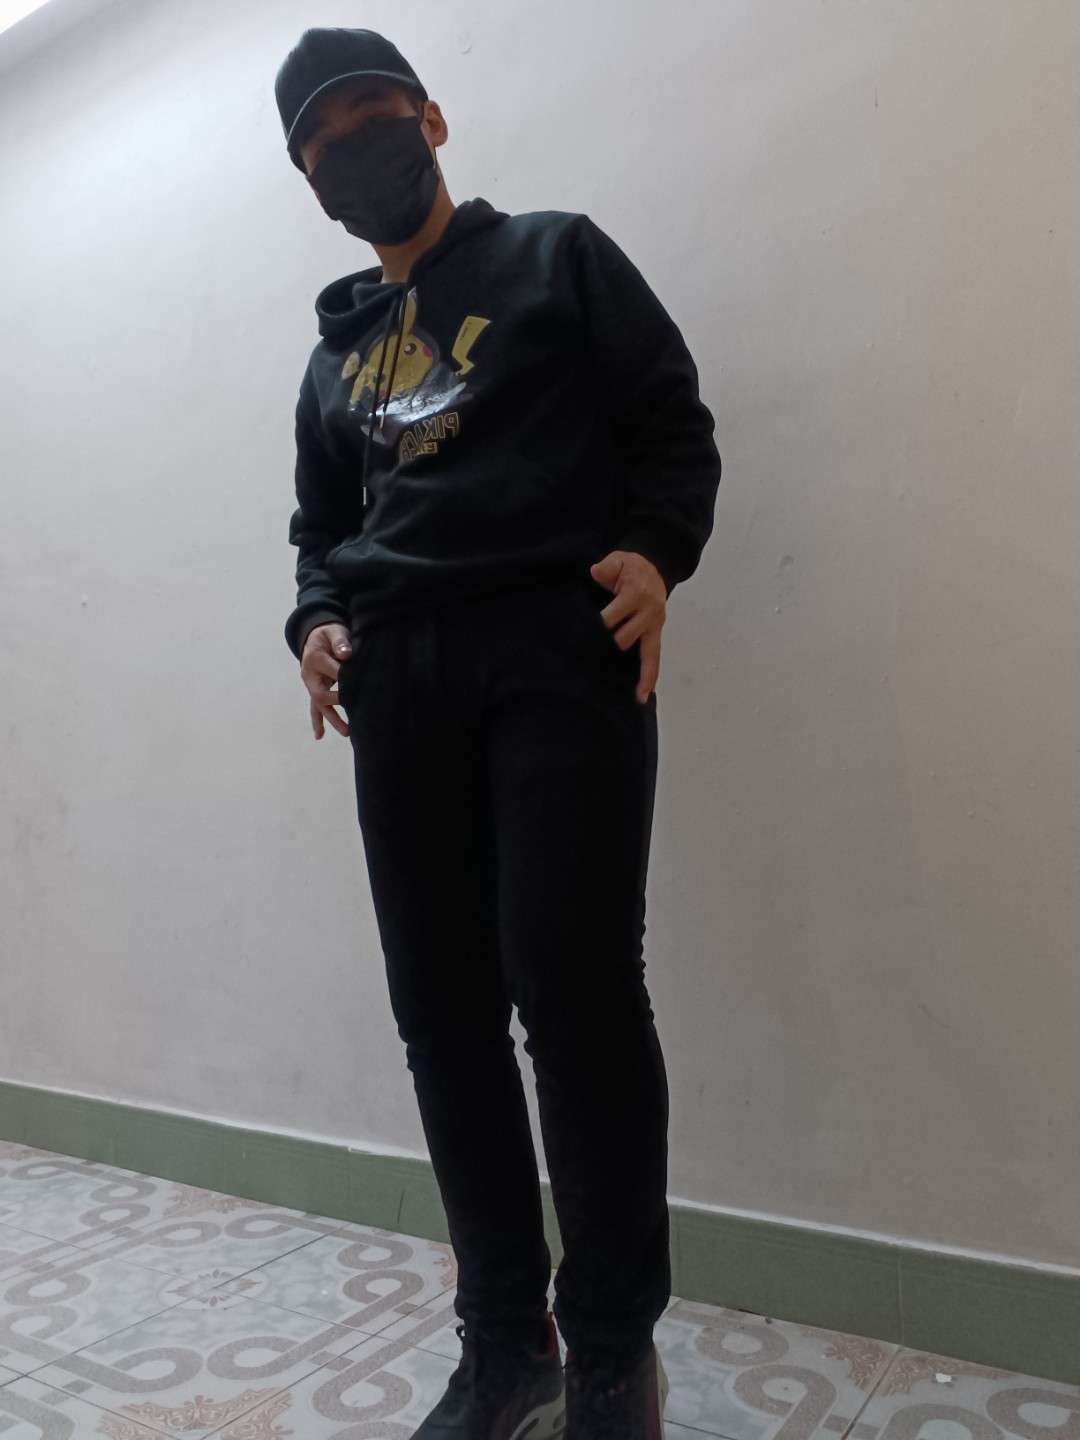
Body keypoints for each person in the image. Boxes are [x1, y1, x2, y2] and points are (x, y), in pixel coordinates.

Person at [274, 26, 721, 1440]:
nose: (354, 143)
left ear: (433, 118)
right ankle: (505, 1343)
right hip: (397, 685)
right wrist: (314, 623)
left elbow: (671, 423)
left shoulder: (556, 256)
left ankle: (611, 1353)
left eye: (373, 111)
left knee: (576, 998)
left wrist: (657, 549)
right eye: (322, 138)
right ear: (308, 178)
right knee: (441, 1017)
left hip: (554, 652)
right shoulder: (334, 360)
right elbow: (321, 533)